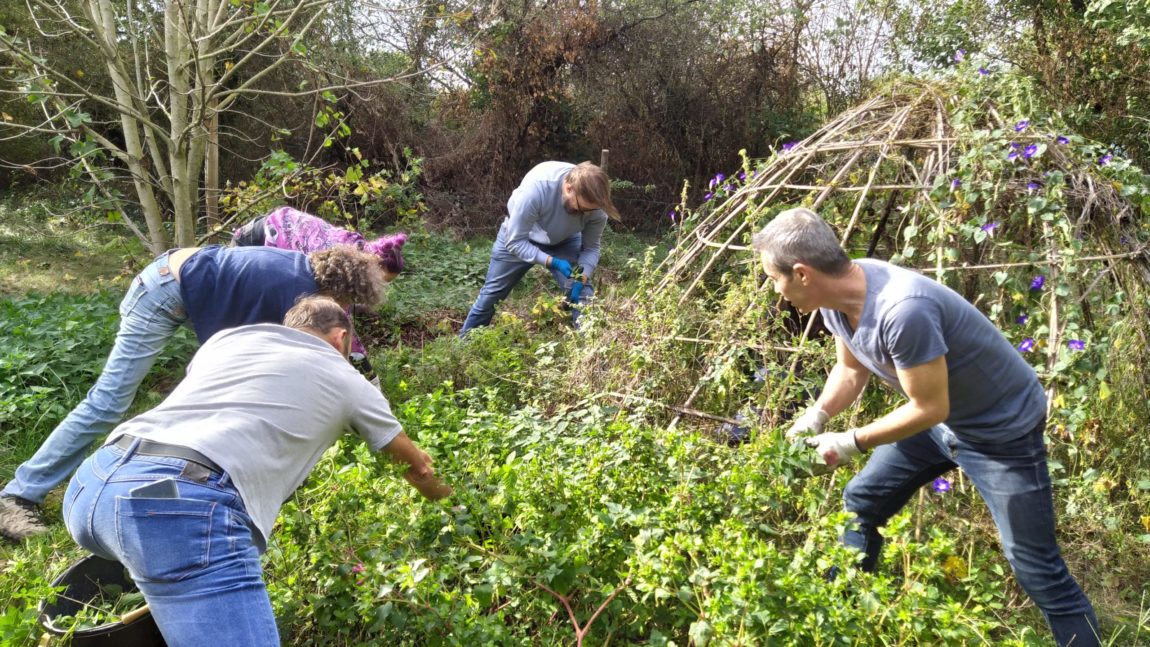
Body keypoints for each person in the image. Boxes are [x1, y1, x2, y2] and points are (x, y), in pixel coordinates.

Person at [753, 207, 1100, 647]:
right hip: (939, 422)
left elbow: (930, 407)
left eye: (773, 278)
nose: (775, 291)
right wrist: (817, 414)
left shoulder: (902, 309)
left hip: (1000, 432)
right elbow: (850, 370)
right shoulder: (838, 301)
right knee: (862, 500)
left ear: (801, 273)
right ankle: (841, 622)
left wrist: (851, 441)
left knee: (1036, 568)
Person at [62, 296, 451, 646]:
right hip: (178, 506)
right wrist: (455, 504)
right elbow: (415, 467)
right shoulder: (347, 378)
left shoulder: (227, 340)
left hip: (92, 484)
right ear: (340, 338)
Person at [0, 245, 387, 541]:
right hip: (164, 289)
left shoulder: (298, 276)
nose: (345, 308)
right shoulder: (292, 291)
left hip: (187, 288)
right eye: (349, 301)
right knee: (108, 402)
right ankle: (17, 496)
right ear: (342, 288)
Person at [231, 206, 408, 381]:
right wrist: (368, 377)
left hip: (272, 244)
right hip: (253, 243)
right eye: (381, 280)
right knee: (261, 328)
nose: (379, 285)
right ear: (373, 266)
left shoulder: (357, 249)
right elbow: (339, 322)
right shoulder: (341, 265)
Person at [459, 161, 620, 335]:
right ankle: (464, 345)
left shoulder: (596, 209)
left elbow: (591, 248)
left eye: (591, 210)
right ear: (568, 188)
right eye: (581, 208)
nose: (586, 214)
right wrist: (553, 262)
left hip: (564, 239)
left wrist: (582, 277)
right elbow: (515, 242)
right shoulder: (536, 190)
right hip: (521, 237)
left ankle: (590, 350)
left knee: (584, 296)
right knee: (490, 296)